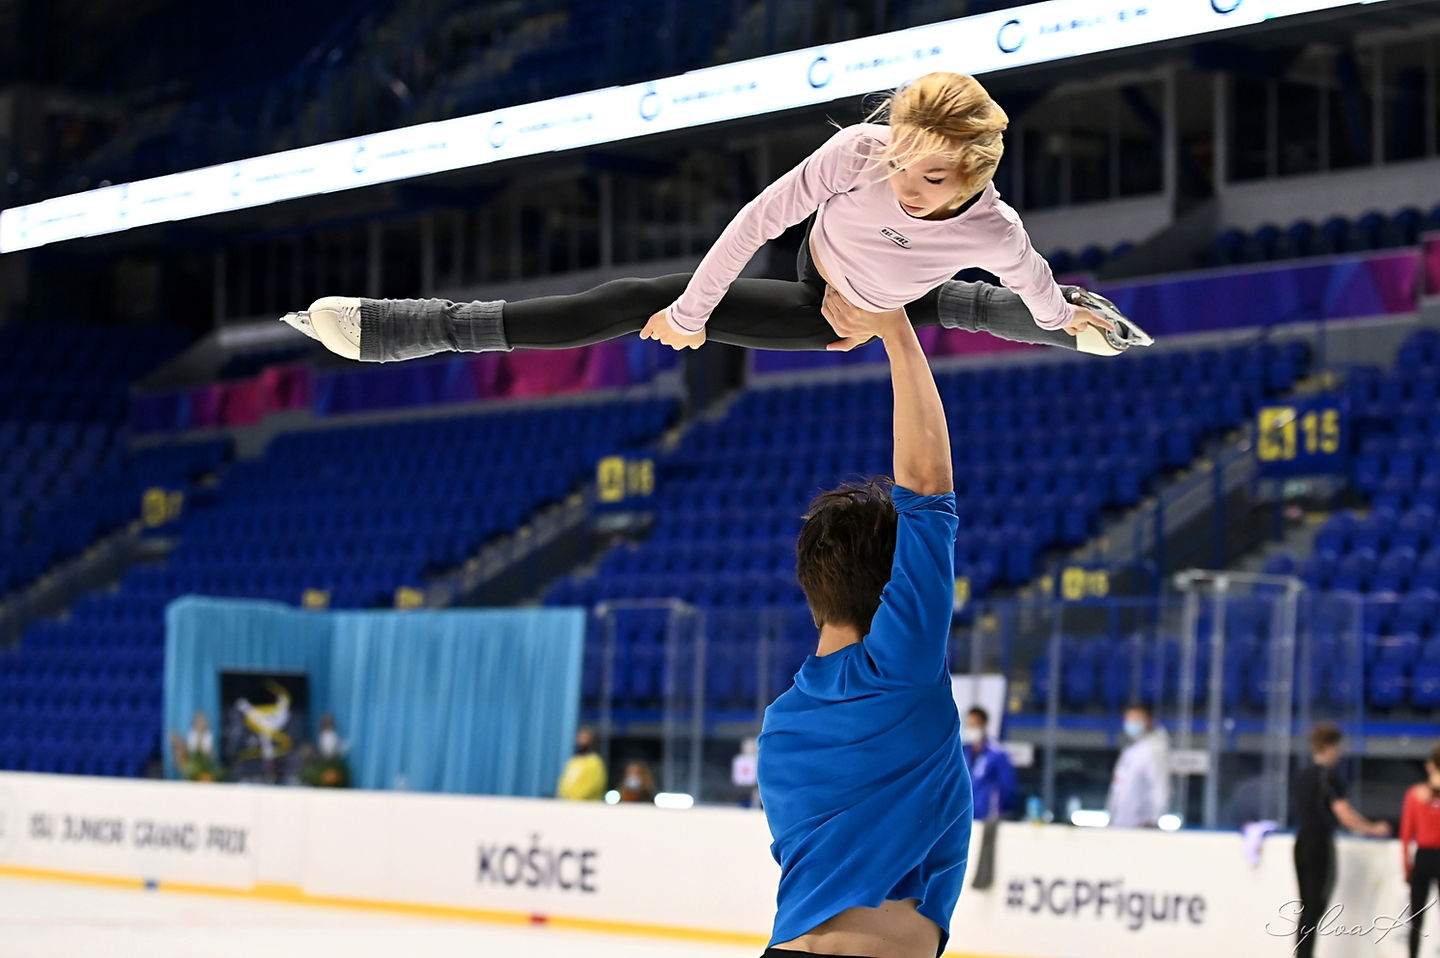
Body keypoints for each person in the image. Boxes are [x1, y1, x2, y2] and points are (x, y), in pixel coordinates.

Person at [278, 72, 1152, 364]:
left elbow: (1031, 280)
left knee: (966, 302)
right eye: (895, 153)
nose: (900, 178)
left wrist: (1059, 320)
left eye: (924, 174)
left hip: (865, 312)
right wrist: (689, 315)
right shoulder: (858, 152)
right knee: (640, 295)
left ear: (973, 170)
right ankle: (418, 327)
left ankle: (1091, 326)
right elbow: (755, 220)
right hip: (820, 269)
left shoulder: (993, 232)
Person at [755, 295, 968, 957]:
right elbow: (928, 486)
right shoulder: (899, 674)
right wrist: (893, 321)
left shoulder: (779, 727)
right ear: (893, 587)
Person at [1292, 723, 1390, 958]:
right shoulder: (1329, 777)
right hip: (1319, 843)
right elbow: (1345, 815)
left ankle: (1302, 954)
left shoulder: (1302, 775)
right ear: (1329, 747)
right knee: (1315, 905)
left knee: (1307, 906)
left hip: (1301, 841)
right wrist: (1372, 828)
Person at [1400, 743, 1440, 958]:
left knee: (1416, 915)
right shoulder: (1417, 794)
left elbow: (1406, 834)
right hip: (1430, 855)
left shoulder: (1415, 795)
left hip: (1424, 857)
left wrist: (1406, 864)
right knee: (1417, 914)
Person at [1105, 702, 1170, 829]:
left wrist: (1153, 818)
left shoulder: (1153, 750)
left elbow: (1160, 786)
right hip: (1120, 820)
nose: (1132, 723)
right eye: (1129, 720)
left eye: (1137, 720)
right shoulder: (1130, 751)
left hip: (1141, 823)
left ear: (1149, 722)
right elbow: (1118, 787)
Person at [962, 706, 1017, 821]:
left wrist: (1003, 811)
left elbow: (1008, 786)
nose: (971, 729)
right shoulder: (962, 752)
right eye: (969, 725)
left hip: (987, 818)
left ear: (984, 725)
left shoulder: (997, 754)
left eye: (975, 725)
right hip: (963, 816)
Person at [556, 725, 607, 801]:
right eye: (579, 738)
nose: (581, 741)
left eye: (584, 738)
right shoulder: (573, 761)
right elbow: (563, 782)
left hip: (586, 806)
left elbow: (594, 786)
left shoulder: (595, 762)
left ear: (591, 741)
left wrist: (575, 798)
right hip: (567, 805)